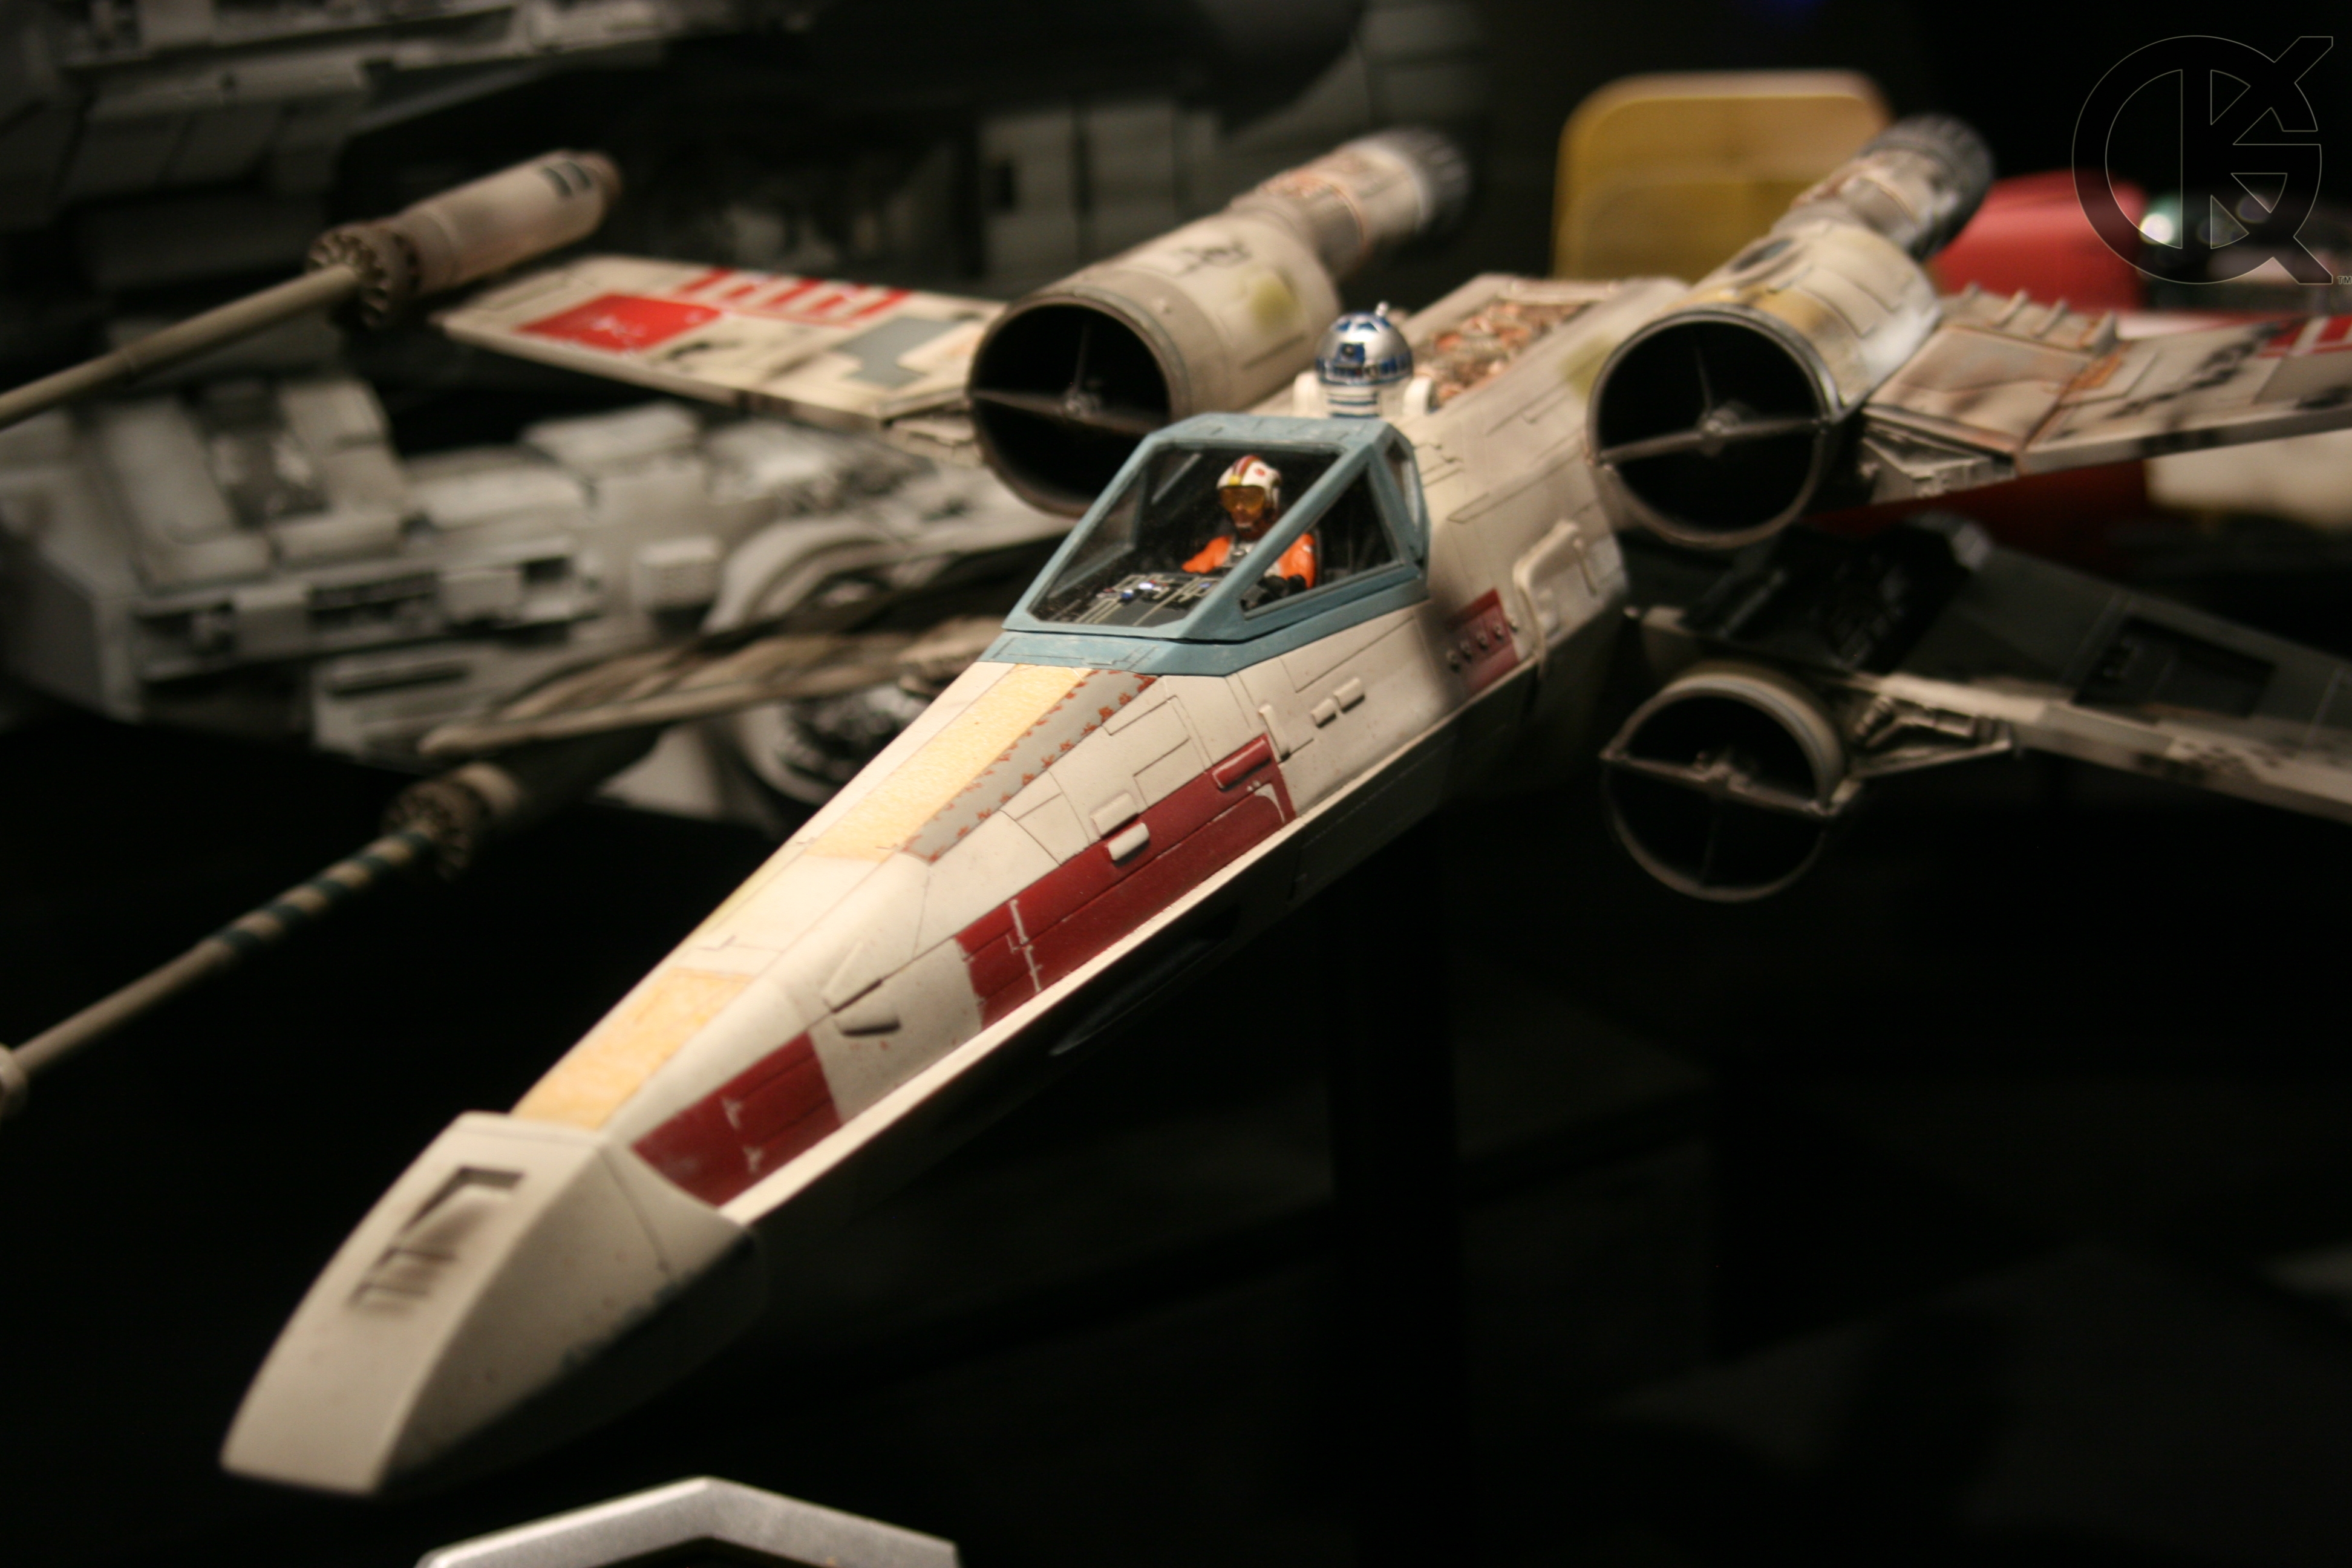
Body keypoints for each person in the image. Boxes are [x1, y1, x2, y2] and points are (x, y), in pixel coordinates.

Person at [1183, 454, 1317, 595]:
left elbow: (1297, 589)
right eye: (1231, 499)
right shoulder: (1221, 545)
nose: (1239, 508)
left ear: (1269, 501)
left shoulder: (1294, 545)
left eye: (1250, 499)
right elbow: (1184, 578)